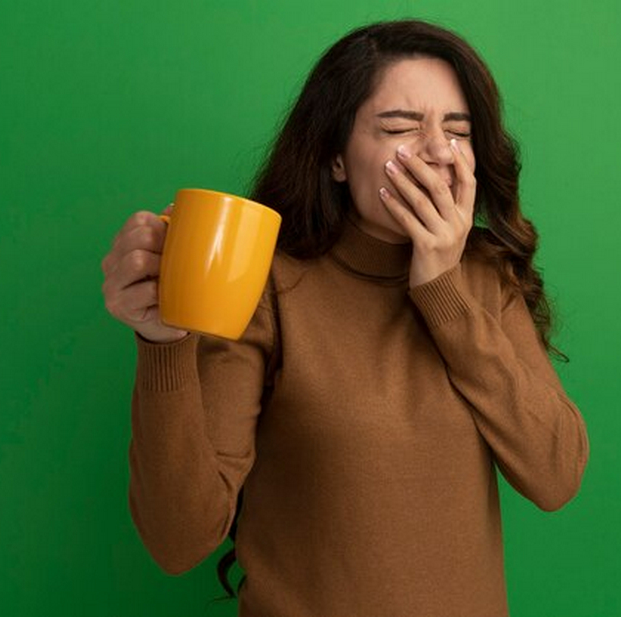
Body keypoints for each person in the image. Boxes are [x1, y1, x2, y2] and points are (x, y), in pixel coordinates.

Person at [101, 19, 589, 617]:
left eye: (457, 131)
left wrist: (444, 291)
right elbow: (179, 541)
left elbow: (556, 475)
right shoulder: (266, 284)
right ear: (335, 157)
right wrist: (162, 340)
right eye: (400, 127)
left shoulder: (487, 274)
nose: (437, 149)